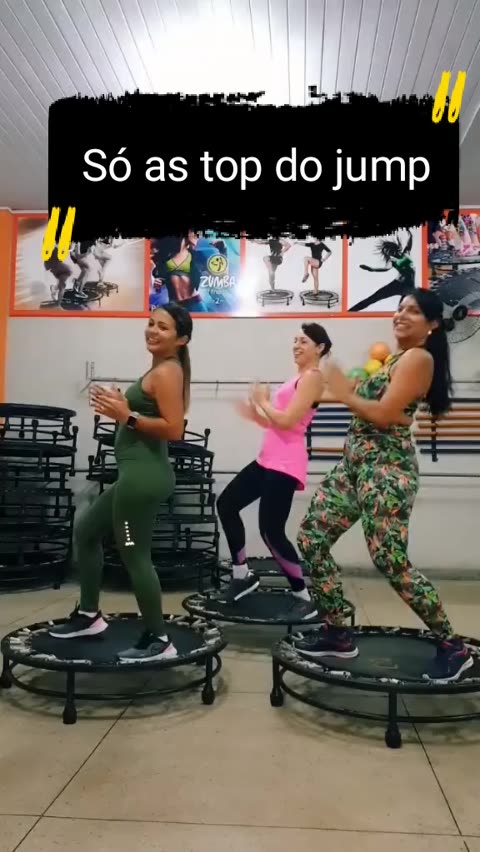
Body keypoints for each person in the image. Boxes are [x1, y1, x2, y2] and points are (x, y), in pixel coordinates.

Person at [295, 290, 473, 682]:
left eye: (413, 311)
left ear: (433, 324)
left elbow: (385, 414)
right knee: (311, 539)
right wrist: (315, 386)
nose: (401, 314)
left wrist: (346, 394)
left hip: (386, 471)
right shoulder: (391, 359)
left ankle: (452, 646)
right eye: (400, 308)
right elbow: (360, 401)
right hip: (354, 466)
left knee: (390, 560)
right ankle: (337, 632)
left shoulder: (419, 358)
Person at [50, 304, 193, 662]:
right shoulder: (159, 369)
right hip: (134, 478)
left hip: (142, 482)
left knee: (133, 551)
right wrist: (121, 406)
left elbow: (174, 429)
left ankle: (159, 639)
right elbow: (144, 417)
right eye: (151, 323)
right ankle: (89, 615)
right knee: (86, 531)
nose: (153, 330)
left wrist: (125, 415)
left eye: (163, 327)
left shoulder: (168, 371)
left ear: (180, 339)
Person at [216, 323, 331, 621]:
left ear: (319, 348)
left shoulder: (314, 377)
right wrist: (256, 413)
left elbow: (289, 421)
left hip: (286, 463)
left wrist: (263, 402)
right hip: (267, 459)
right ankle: (241, 575)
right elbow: (276, 422)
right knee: (226, 504)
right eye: (295, 340)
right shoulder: (295, 379)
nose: (296, 345)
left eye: (303, 341)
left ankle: (302, 596)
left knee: (271, 532)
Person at [348, 230, 415, 312]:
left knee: (403, 309)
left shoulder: (406, 253)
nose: (388, 254)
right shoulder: (392, 261)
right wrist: (371, 269)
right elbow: (386, 269)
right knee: (373, 298)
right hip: (397, 285)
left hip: (409, 287)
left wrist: (409, 232)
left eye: (388, 251)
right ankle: (350, 311)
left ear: (392, 249)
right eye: (386, 252)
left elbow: (410, 240)